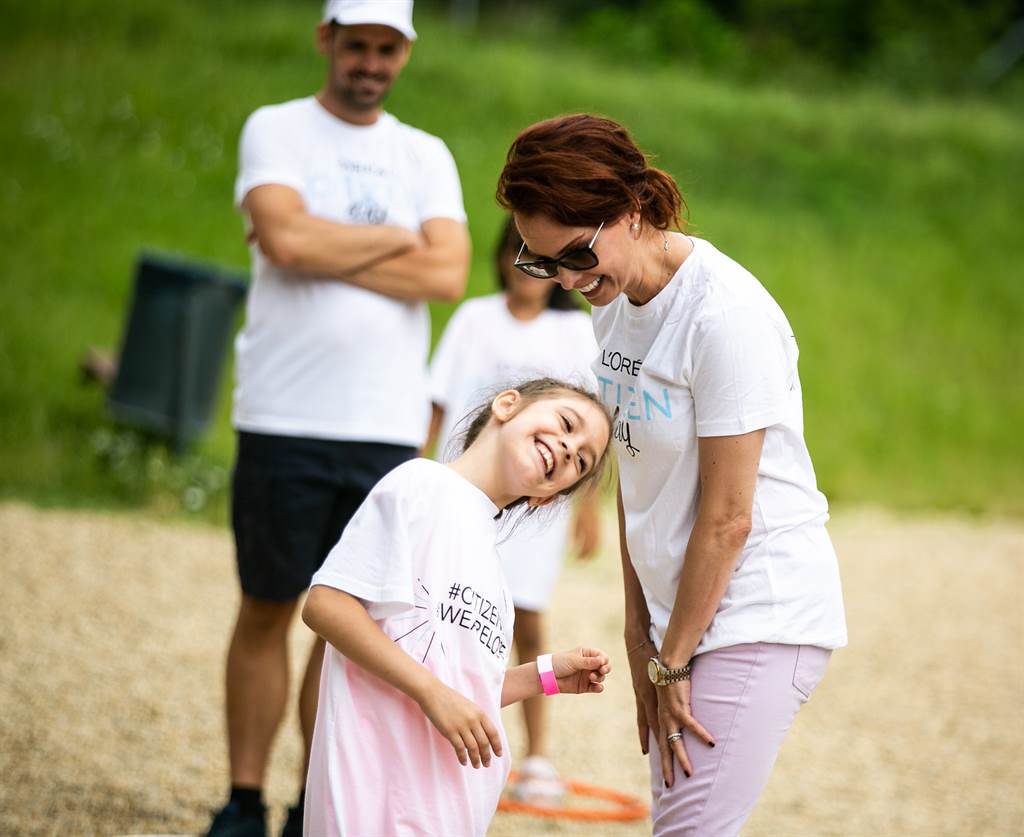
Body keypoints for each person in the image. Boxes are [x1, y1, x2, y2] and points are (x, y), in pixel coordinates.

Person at [496, 114, 848, 836]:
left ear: (630, 209)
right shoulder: (613, 306)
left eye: (576, 252)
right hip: (680, 624)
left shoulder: (723, 316)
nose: (565, 278)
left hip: (755, 611)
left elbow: (728, 517)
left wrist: (671, 660)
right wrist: (637, 635)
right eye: (542, 262)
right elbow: (637, 474)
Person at [208, 2, 470, 835]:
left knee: (348, 630)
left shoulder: (424, 152)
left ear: (406, 52)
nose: (370, 62)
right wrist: (395, 238)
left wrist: (323, 243)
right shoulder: (276, 128)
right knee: (266, 606)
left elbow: (450, 272)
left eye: (386, 48)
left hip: (387, 428)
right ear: (326, 40)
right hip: (285, 414)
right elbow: (282, 243)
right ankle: (244, 800)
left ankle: (314, 808)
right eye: (355, 44)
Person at [301, 379, 613, 835]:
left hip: (450, 814)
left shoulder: (496, 581)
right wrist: (432, 693)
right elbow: (326, 604)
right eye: (567, 424)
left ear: (549, 496)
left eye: (581, 461)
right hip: (373, 805)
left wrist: (543, 675)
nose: (569, 449)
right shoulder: (420, 485)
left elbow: (466, 696)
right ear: (508, 405)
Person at [425, 217, 601, 803]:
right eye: (517, 253)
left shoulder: (575, 335)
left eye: (540, 259)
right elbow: (437, 400)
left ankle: (537, 756)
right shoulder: (474, 318)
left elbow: (589, 438)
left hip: (533, 506)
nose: (527, 269)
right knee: (444, 603)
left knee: (524, 615)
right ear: (502, 257)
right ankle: (441, 722)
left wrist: (589, 510)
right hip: (465, 490)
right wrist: (418, 468)